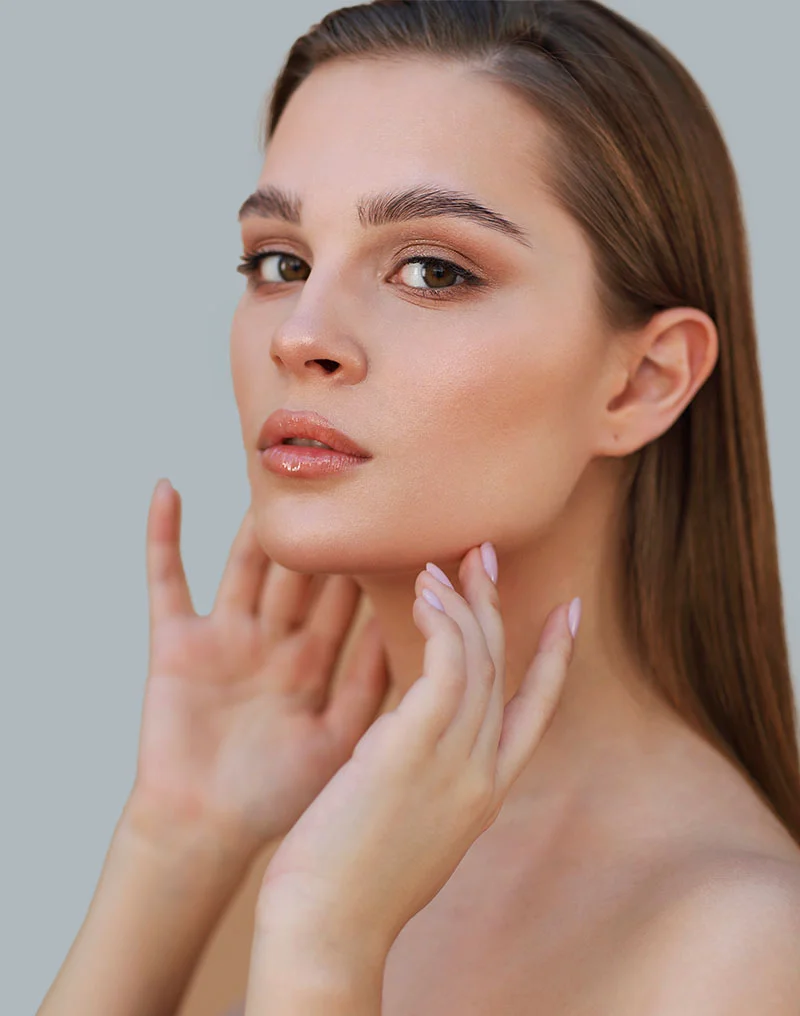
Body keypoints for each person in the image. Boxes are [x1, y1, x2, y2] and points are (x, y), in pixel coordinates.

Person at [39, 2, 800, 1015]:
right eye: (279, 261)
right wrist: (175, 837)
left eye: (432, 270)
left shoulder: (741, 947)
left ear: (642, 381)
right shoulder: (284, 822)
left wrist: (324, 945)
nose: (300, 335)